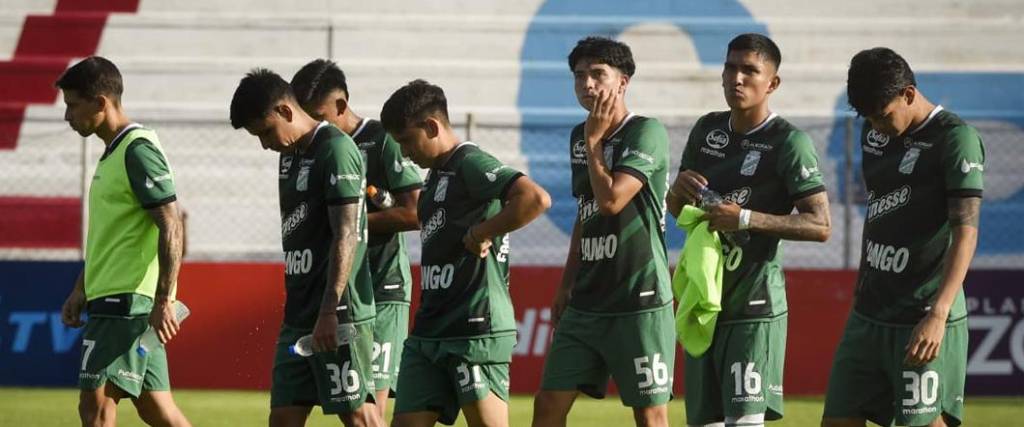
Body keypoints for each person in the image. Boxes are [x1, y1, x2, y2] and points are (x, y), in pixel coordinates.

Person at [666, 33, 832, 427]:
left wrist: (744, 218)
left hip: (754, 303)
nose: (736, 78)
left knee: (743, 423)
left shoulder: (790, 142)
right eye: (730, 67)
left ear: (772, 83)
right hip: (704, 302)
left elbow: (821, 224)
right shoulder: (707, 130)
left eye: (749, 70)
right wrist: (677, 193)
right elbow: (678, 211)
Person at [822, 47, 984, 427]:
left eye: (882, 116)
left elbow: (966, 233)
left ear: (909, 94)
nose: (875, 126)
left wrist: (938, 315)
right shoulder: (871, 132)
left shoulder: (955, 140)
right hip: (869, 313)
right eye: (868, 118)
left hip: (922, 313)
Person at [380, 79, 551, 427]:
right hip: (430, 330)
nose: (404, 153)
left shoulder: (470, 162)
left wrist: (483, 230)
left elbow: (535, 199)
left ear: (431, 126)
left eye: (407, 141)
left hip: (475, 327)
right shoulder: (435, 177)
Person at [532, 36, 675, 427]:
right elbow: (588, 211)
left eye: (598, 74)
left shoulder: (647, 132)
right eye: (579, 76)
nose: (587, 85)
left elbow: (612, 200)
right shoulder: (580, 135)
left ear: (623, 82)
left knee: (650, 415)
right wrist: (566, 284)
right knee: (547, 405)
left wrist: (596, 145)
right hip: (587, 301)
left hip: (639, 298)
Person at [230, 69, 381, 427]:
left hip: (338, 312)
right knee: (282, 417)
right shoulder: (290, 156)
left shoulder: (337, 149)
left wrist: (330, 310)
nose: (265, 144)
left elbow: (346, 233)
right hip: (299, 314)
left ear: (285, 111)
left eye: (265, 131)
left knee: (358, 416)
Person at [57, 56, 191, 427]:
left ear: (101, 102)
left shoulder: (137, 149)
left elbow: (171, 224)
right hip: (114, 300)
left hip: (127, 305)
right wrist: (80, 288)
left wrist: (165, 299)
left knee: (96, 408)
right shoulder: (113, 152)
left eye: (73, 105)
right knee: (158, 412)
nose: (68, 116)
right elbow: (111, 237)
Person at [291, 59, 424, 420]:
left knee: (370, 406)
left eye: (319, 114)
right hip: (341, 289)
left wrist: (351, 225)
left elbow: (416, 212)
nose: (314, 124)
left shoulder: (382, 140)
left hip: (381, 289)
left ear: (340, 105)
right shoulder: (313, 149)